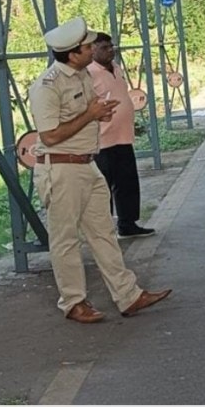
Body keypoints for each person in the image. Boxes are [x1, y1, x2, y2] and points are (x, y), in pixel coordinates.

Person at [28, 17, 171, 323]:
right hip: (61, 169)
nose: (93, 49)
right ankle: (73, 302)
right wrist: (90, 114)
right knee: (65, 240)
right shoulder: (46, 86)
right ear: (73, 53)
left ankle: (128, 295)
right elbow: (50, 135)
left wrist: (98, 116)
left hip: (86, 164)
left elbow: (85, 114)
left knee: (103, 232)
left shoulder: (80, 76)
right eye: (88, 46)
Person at [87, 33, 154, 239]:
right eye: (105, 47)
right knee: (103, 187)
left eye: (111, 47)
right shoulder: (88, 74)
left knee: (127, 182)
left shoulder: (115, 67)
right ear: (93, 49)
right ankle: (104, 230)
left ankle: (128, 223)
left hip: (123, 137)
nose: (110, 50)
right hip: (102, 140)